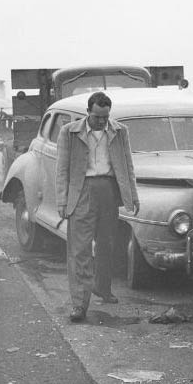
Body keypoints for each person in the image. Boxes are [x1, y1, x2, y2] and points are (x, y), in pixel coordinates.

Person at [56, 91, 139, 322]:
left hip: (109, 191)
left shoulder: (120, 131)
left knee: (107, 244)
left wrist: (133, 196)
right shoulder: (69, 132)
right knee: (80, 249)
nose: (102, 122)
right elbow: (62, 169)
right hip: (82, 191)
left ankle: (103, 288)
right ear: (87, 112)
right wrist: (62, 200)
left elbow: (128, 165)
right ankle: (79, 304)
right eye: (97, 117)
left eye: (105, 117)